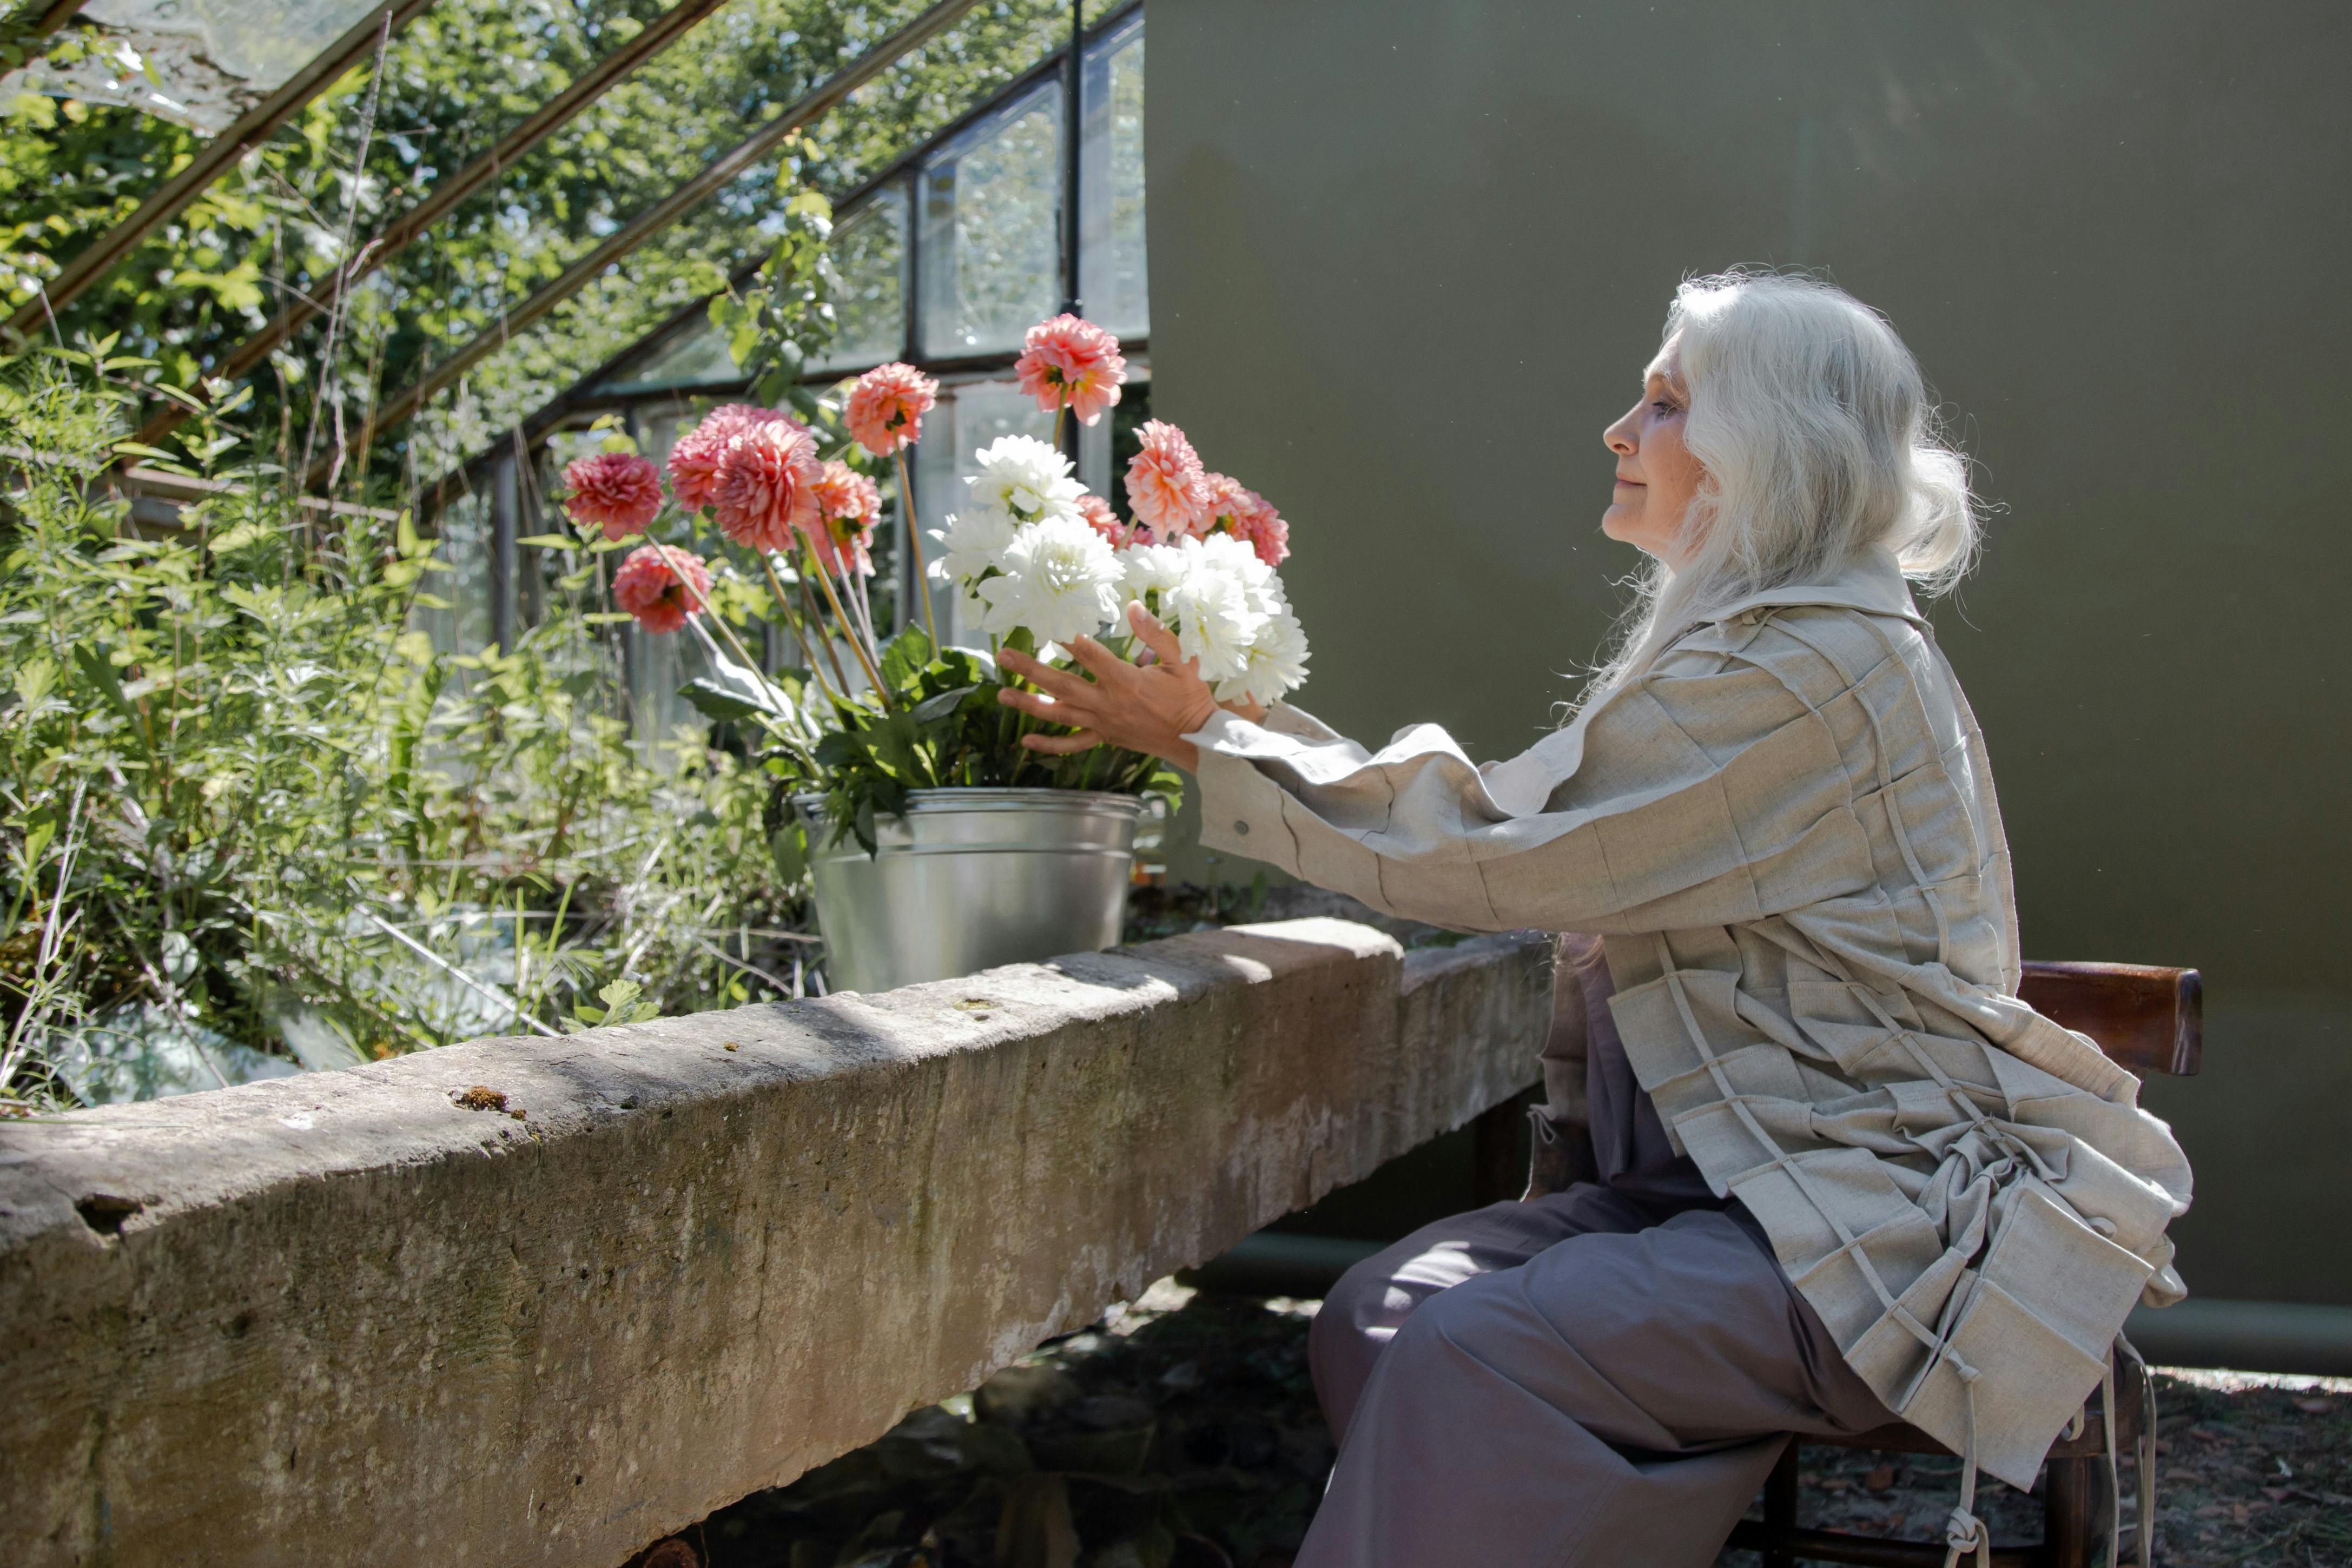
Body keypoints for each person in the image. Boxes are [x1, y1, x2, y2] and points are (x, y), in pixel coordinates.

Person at [997, 272, 2191, 1568]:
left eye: (1665, 403)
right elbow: (1525, 828)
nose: (1619, 431)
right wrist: (1225, 733)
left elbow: (1499, 853)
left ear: (1768, 450)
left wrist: (1213, 740)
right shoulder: (1768, 644)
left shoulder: (1807, 673)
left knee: (1469, 1349)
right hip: (1717, 1196)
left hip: (1863, 1224)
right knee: (1376, 1316)